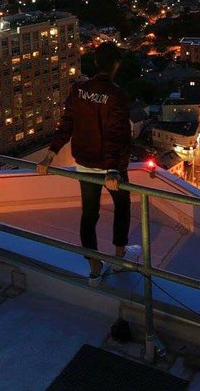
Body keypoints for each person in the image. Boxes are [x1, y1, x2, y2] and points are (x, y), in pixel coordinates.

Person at [37, 41, 132, 283]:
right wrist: (112, 169)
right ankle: (119, 258)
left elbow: (66, 125)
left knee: (89, 214)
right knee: (122, 208)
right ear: (116, 65)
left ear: (96, 63)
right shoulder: (117, 95)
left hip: (85, 164)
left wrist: (50, 155)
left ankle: (94, 267)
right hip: (111, 168)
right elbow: (115, 133)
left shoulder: (78, 90)